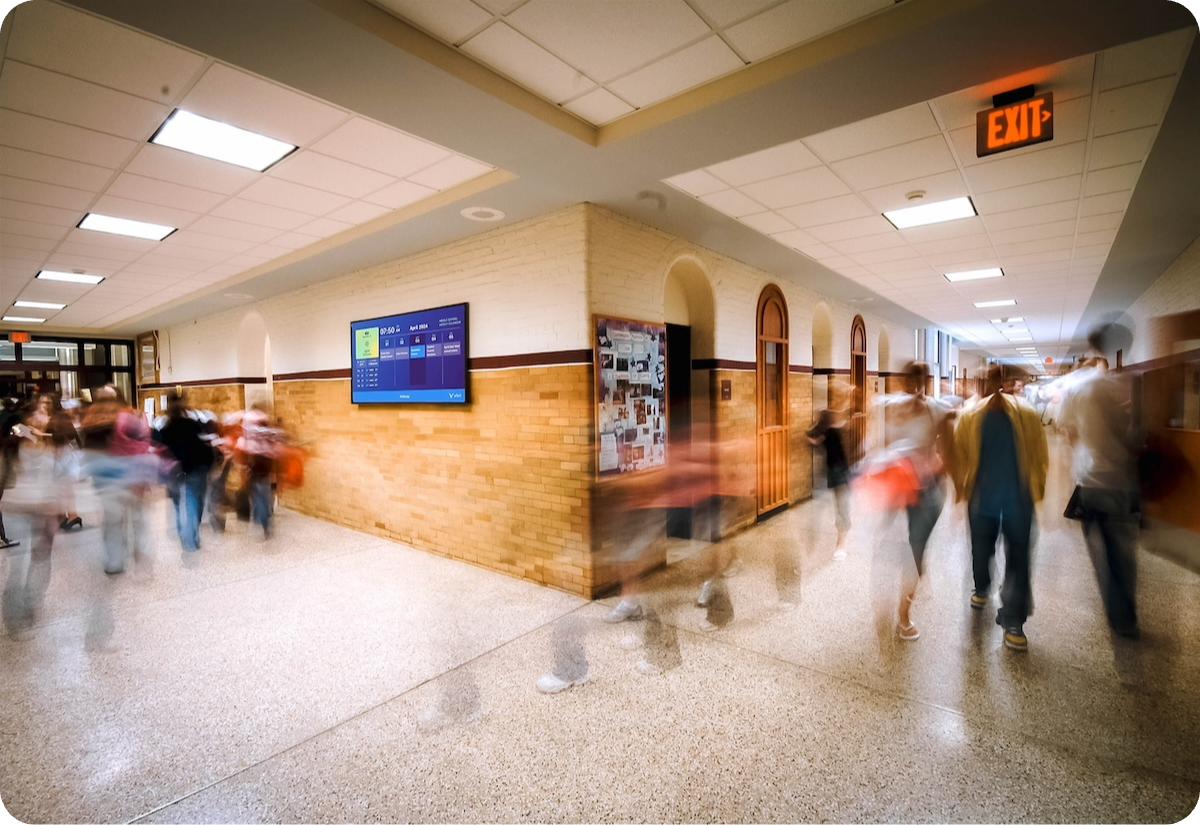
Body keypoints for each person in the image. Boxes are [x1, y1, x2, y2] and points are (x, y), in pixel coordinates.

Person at [955, 366, 1049, 651]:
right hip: (999, 499)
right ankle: (997, 604)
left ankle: (1000, 608)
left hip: (1003, 499)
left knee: (1002, 554)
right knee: (1000, 554)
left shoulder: (1018, 415)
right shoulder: (973, 416)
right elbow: (960, 455)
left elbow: (1038, 455)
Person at [1059, 336, 1142, 638]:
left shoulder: (1076, 389)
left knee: (1100, 551)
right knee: (1121, 550)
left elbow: (1069, 433)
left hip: (1089, 480)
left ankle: (1116, 609)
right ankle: (1124, 615)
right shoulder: (1123, 384)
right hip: (1120, 480)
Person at [873, 361, 958, 641]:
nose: (914, 386)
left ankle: (904, 615)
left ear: (925, 382)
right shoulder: (891, 407)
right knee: (887, 547)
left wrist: (949, 476)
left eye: (919, 381)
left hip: (923, 491)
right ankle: (894, 597)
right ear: (902, 381)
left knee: (915, 553)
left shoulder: (935, 409)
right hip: (896, 490)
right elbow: (878, 439)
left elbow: (948, 447)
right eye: (909, 380)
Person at [156, 391, 215, 552]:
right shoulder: (193, 423)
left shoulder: (165, 427)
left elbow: (161, 448)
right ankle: (190, 536)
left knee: (177, 501)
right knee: (192, 500)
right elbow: (204, 445)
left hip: (175, 469)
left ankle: (182, 529)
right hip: (196, 467)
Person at [807, 378, 854, 560]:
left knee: (842, 509)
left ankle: (840, 545)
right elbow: (812, 437)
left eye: (841, 393)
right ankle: (811, 544)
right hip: (826, 469)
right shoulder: (825, 415)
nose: (839, 396)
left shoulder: (845, 414)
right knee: (816, 507)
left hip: (842, 470)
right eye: (836, 392)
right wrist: (816, 439)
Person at [237, 404, 279, 538]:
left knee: (257, 496)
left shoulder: (249, 430)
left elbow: (244, 449)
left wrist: (244, 467)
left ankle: (262, 521)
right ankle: (265, 522)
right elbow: (274, 449)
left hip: (254, 467)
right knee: (265, 496)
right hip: (266, 467)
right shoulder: (267, 429)